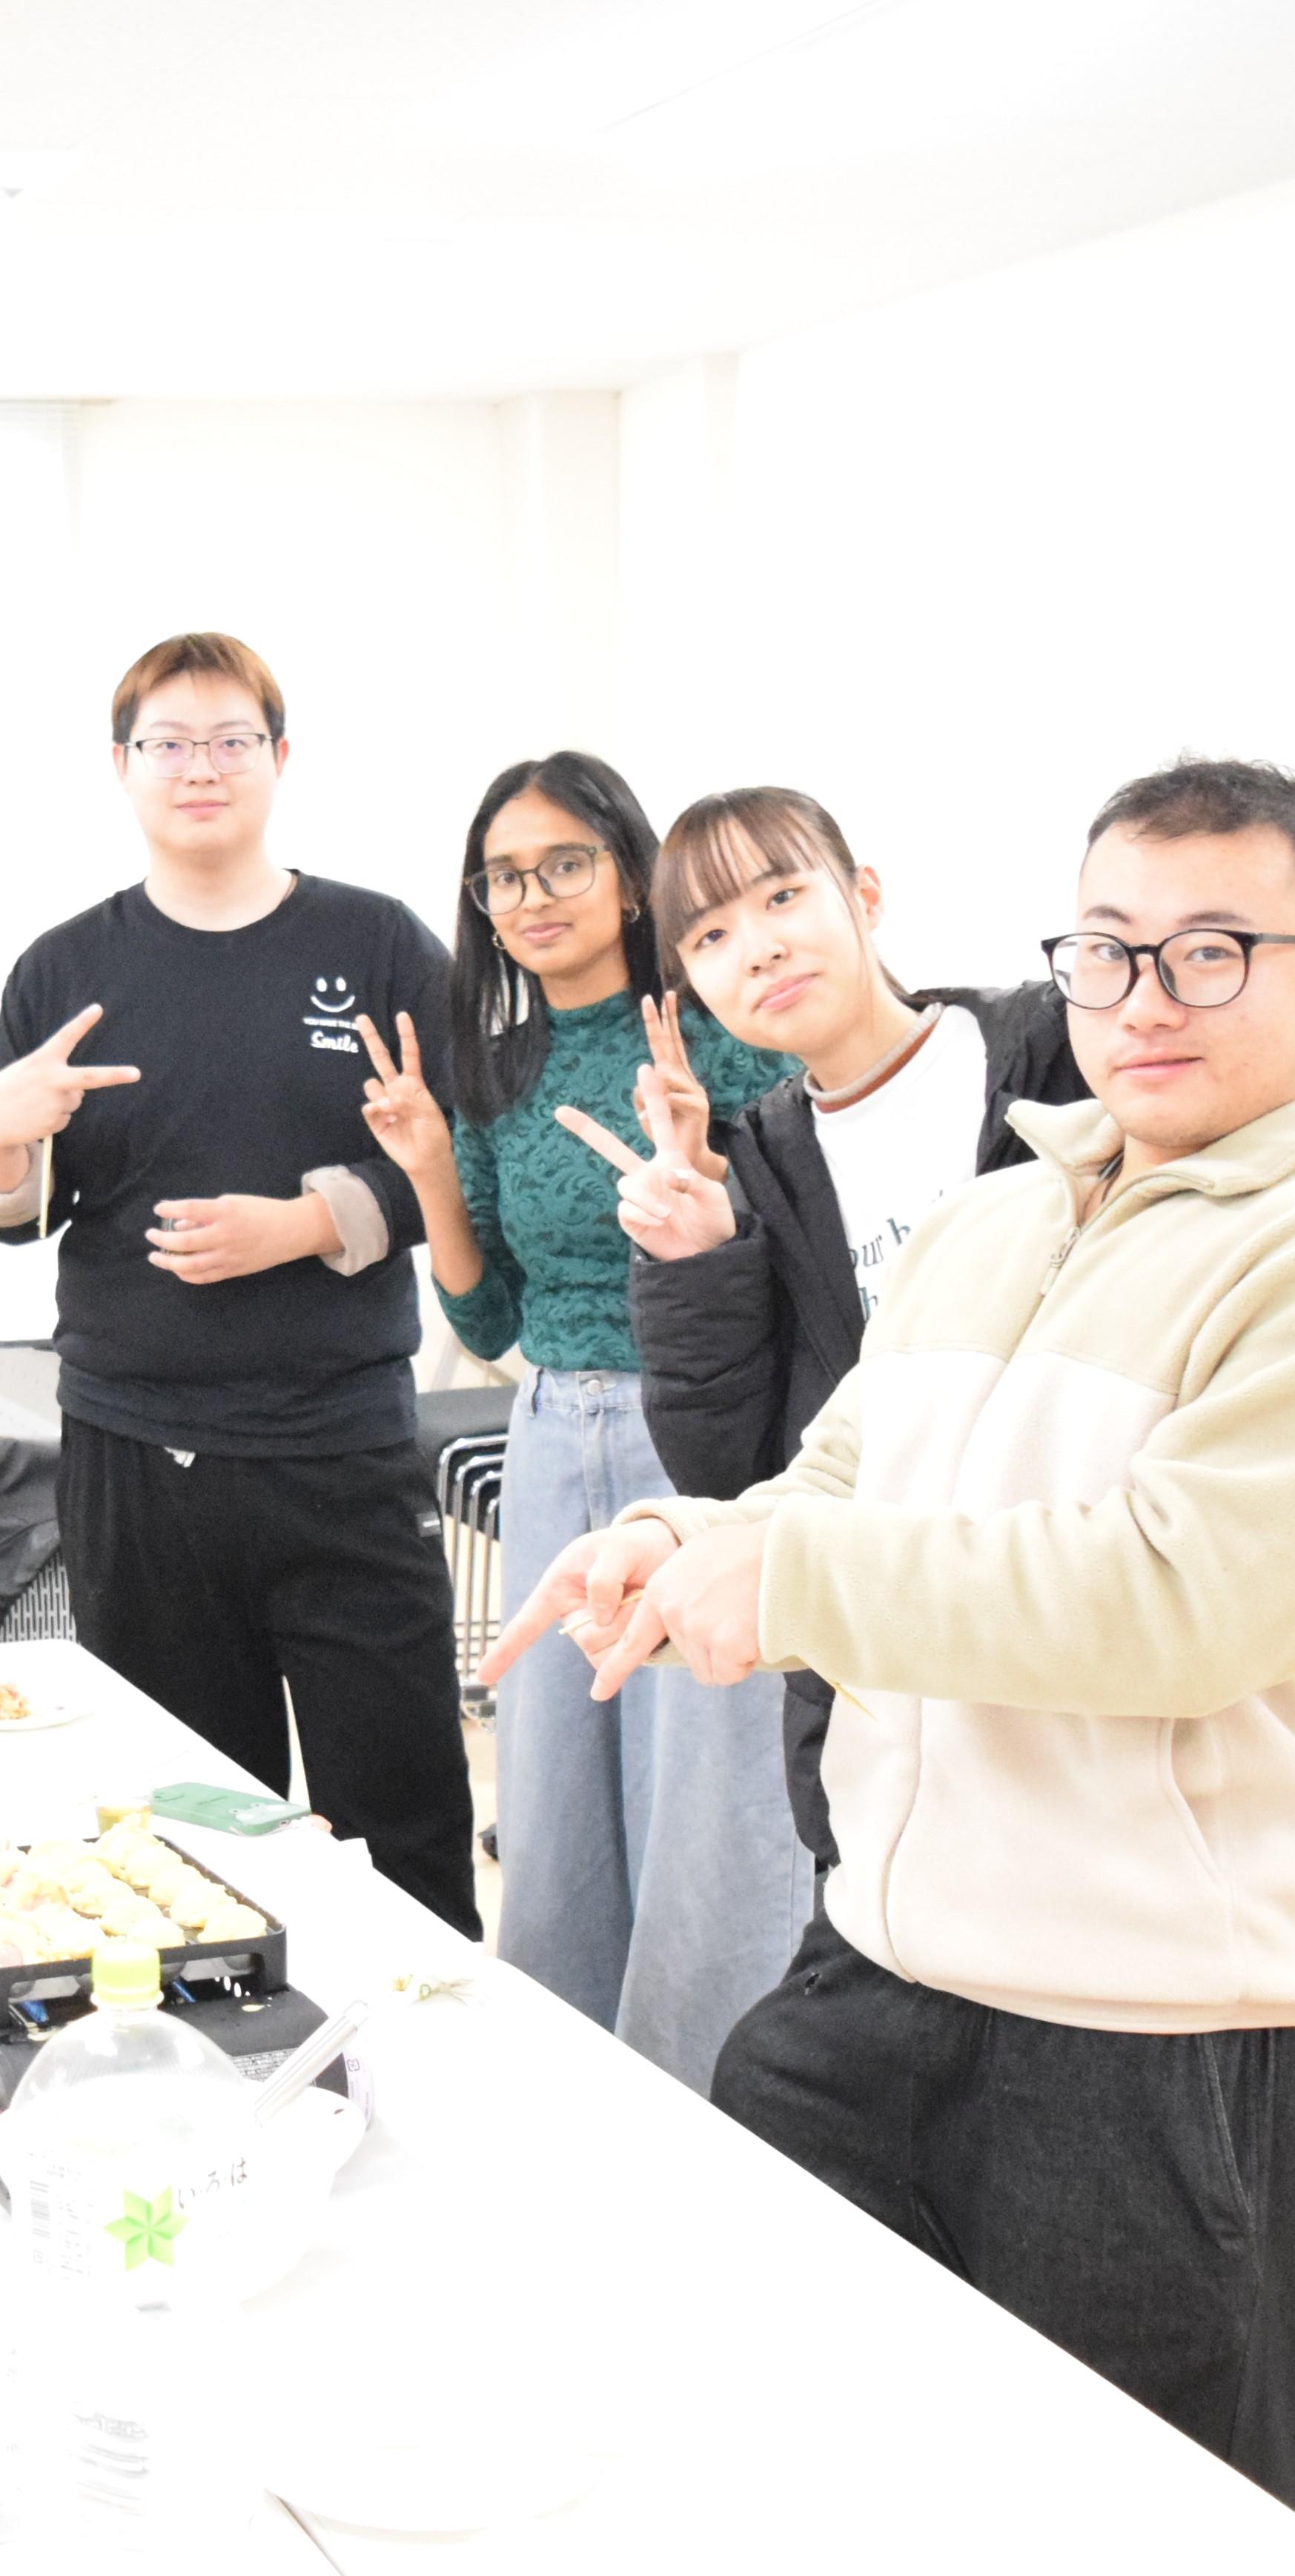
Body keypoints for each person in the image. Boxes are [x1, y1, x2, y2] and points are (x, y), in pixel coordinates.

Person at [486, 760, 1295, 2512]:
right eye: (1106, 948)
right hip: (882, 1960)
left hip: (1162, 2023)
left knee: (1139, 2548)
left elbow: (1174, 1601)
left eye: (1212, 951)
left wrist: (786, 1582)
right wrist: (685, 1532)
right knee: (836, 2486)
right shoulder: (999, 1214)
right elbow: (840, 1467)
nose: (1143, 998)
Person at [0, 631, 479, 1931]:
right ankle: (197, 2044)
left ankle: (431, 2033)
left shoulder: (377, 943)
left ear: (281, 757)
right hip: (139, 1455)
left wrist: (305, 1223)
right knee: (175, 1834)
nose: (202, 767)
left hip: (342, 1448)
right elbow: (17, 1212)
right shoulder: (64, 969)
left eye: (232, 739)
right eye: (169, 744)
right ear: (121, 766)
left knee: (401, 1821)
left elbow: (462, 1154)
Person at [355, 752, 797, 2083]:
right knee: (551, 1784)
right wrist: (428, 1168)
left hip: (699, 1432)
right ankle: (555, 2084)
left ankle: (709, 2093)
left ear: (628, 876)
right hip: (551, 1427)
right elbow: (488, 1313)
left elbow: (785, 1261)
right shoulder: (495, 1067)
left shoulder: (723, 1032)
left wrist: (701, 1161)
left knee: (703, 1795)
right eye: (504, 877)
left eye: (564, 863)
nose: (533, 895)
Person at [602, 786, 1087, 1871]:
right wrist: (699, 1267)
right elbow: (738, 1476)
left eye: (783, 896)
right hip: (886, 1672)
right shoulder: (764, 1166)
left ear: (864, 895)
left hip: (1076, 1623)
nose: (759, 949)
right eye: (711, 937)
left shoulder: (1055, 1053)